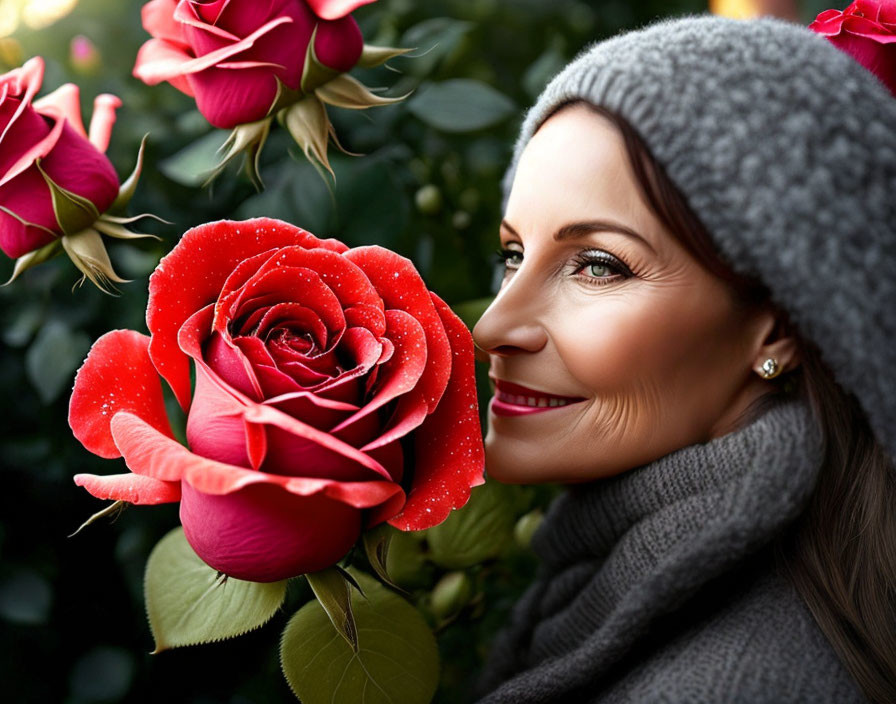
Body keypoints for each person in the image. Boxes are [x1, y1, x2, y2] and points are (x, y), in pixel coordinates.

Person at [470, 12, 896, 704]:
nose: (493, 325)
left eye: (598, 266)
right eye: (513, 254)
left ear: (778, 329)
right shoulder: (604, 589)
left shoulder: (736, 686)